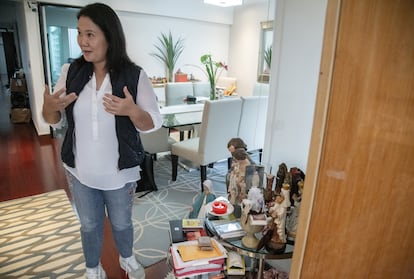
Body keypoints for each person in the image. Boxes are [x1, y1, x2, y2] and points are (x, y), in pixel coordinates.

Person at [42, 3, 162, 279]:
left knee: (121, 223)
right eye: (79, 33)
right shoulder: (71, 72)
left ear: (109, 36)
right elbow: (54, 118)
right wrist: (48, 106)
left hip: (120, 173)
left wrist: (132, 111)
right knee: (89, 224)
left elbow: (152, 123)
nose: (83, 41)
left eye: (90, 34)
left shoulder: (134, 75)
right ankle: (92, 268)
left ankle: (127, 258)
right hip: (80, 171)